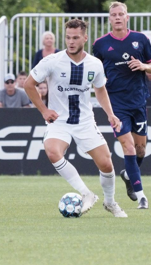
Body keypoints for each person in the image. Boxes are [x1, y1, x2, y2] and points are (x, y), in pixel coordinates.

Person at [24, 18, 127, 218]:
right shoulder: (52, 61)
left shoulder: (95, 64)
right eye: (68, 37)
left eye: (75, 37)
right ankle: (86, 193)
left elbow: (100, 89)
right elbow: (29, 84)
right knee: (52, 151)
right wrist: (44, 110)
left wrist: (110, 114)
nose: (71, 41)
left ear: (85, 38)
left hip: (85, 122)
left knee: (106, 164)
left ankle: (110, 202)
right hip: (60, 122)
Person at [92, 1, 151, 209]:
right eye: (114, 15)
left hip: (138, 101)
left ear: (127, 17)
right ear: (110, 19)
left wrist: (144, 65)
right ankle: (141, 196)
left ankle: (128, 175)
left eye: (121, 14)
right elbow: (95, 72)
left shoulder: (140, 39)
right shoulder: (100, 44)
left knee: (140, 149)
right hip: (116, 105)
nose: (118, 17)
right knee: (127, 145)